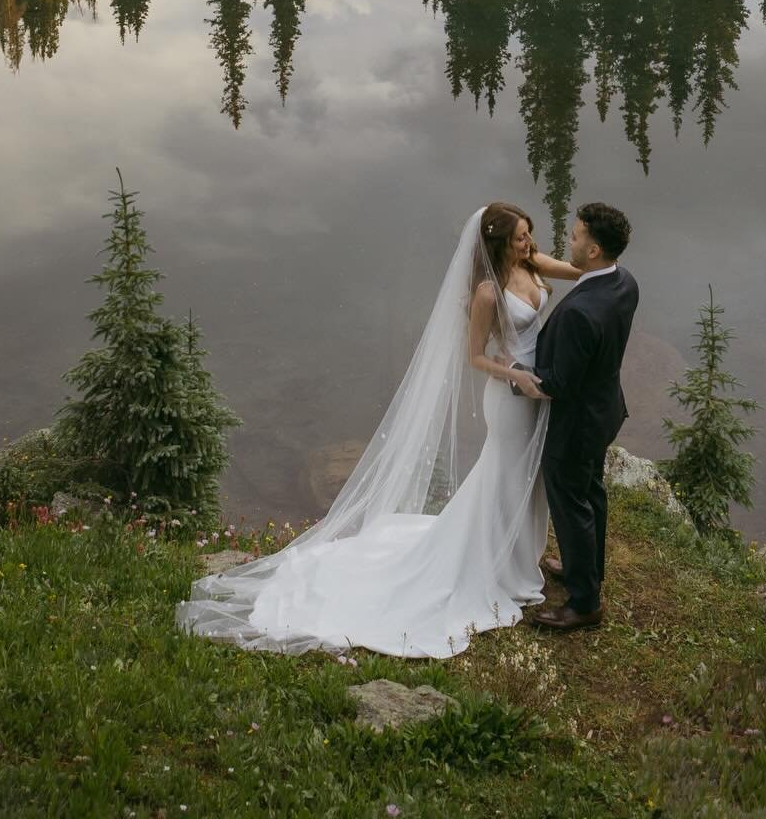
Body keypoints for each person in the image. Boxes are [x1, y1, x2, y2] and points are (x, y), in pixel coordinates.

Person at [174, 202, 580, 657]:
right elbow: (476, 358)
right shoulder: (487, 292)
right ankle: (493, 564)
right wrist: (517, 376)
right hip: (509, 399)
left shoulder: (530, 262)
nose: (529, 243)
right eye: (520, 237)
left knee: (529, 478)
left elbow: (578, 272)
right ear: (498, 243)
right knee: (503, 476)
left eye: (529, 234)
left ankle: (518, 559)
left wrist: (604, 269)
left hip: (538, 394)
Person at [511, 201, 638, 632]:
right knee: (593, 494)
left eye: (577, 235)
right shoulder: (624, 282)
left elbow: (556, 384)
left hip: (576, 426)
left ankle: (585, 603)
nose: (570, 238)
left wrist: (515, 378)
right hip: (604, 411)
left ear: (594, 250)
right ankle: (587, 567)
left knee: (571, 505)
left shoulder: (581, 314)